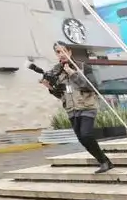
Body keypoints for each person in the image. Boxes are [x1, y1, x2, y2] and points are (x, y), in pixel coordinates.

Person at [44, 42, 113, 174]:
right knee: (81, 139)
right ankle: (104, 161)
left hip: (87, 106)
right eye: (57, 52)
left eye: (63, 51)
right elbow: (60, 94)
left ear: (69, 52)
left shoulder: (82, 66)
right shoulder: (55, 71)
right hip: (71, 109)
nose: (61, 54)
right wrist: (50, 88)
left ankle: (104, 162)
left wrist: (73, 74)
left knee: (86, 135)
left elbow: (93, 87)